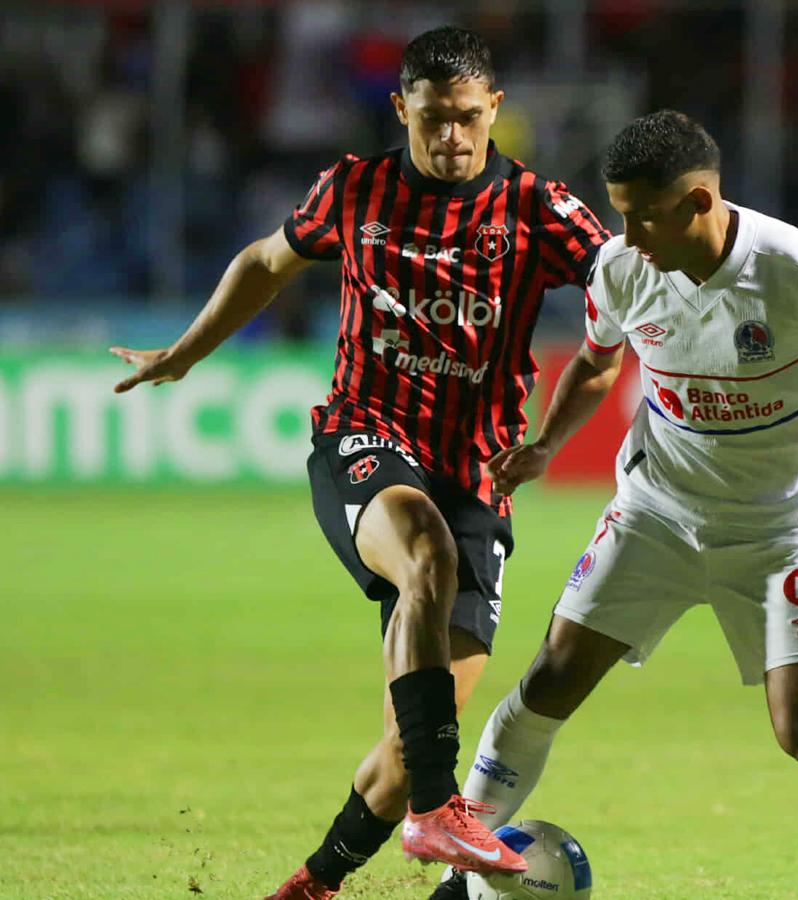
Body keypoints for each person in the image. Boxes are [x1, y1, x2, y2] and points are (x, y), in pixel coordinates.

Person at [436, 110, 798, 900]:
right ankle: (459, 874)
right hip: (656, 514)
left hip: (780, 535)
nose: (627, 236)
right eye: (620, 214)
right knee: (551, 680)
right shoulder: (621, 268)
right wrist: (545, 444)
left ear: (699, 202)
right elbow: (599, 363)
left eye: (645, 215)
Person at [109, 27, 610, 900]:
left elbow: (627, 305)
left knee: (409, 743)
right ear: (399, 108)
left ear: (495, 108)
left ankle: (314, 884)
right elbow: (267, 261)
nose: (450, 138)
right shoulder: (355, 189)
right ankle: (438, 809)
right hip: (365, 437)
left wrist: (548, 441)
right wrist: (187, 353)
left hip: (476, 480)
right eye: (431, 118)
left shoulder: (540, 208)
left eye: (467, 118)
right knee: (424, 551)